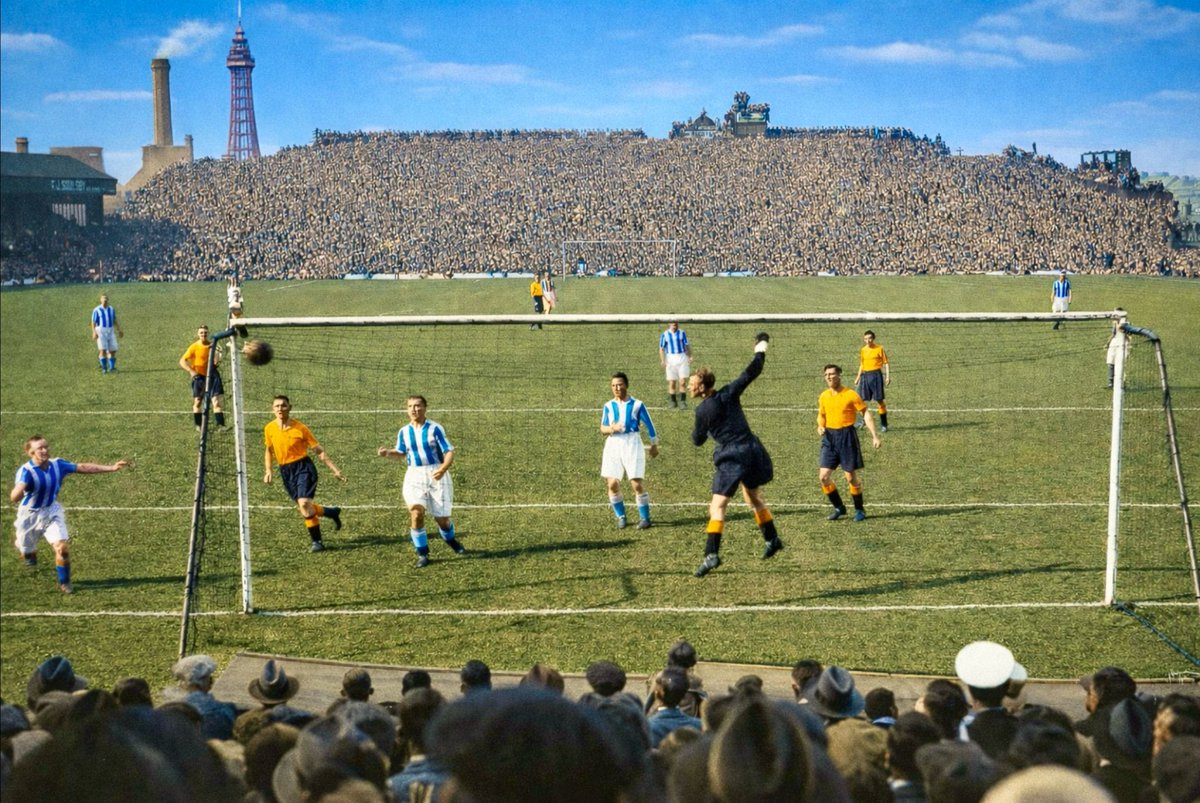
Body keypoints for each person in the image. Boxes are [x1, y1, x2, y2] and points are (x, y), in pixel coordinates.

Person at [688, 334, 783, 577]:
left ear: (701, 387)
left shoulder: (703, 410)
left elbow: (697, 441)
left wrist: (705, 429)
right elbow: (752, 370)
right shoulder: (729, 392)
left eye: (691, 383)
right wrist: (761, 346)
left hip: (733, 455)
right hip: (753, 449)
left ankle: (711, 554)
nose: (688, 386)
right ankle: (772, 539)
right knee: (753, 497)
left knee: (717, 506)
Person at [10, 435, 129, 594]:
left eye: (46, 446)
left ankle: (65, 583)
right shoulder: (26, 471)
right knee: (28, 551)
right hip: (29, 515)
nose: (45, 450)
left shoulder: (58, 464)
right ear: (30, 452)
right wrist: (17, 492)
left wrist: (111, 467)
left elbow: (82, 467)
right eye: (40, 448)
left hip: (52, 510)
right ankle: (25, 550)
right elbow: (14, 496)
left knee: (62, 547)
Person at [378, 394, 464, 567]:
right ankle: (422, 553)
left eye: (417, 406)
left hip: (435, 473)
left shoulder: (435, 428)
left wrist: (443, 468)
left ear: (425, 408)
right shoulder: (404, 431)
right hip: (414, 475)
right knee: (416, 513)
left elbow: (449, 451)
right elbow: (401, 453)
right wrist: (387, 453)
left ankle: (451, 539)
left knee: (443, 521)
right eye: (410, 406)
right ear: (406, 409)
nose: (414, 409)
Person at [263, 395, 344, 553]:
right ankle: (330, 512)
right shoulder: (269, 428)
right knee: (305, 508)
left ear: (290, 407)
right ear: (273, 409)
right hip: (286, 471)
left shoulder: (301, 428)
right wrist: (268, 470)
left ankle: (317, 542)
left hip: (303, 468)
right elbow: (269, 450)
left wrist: (335, 469)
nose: (280, 409)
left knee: (304, 504)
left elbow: (318, 451)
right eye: (277, 406)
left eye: (283, 406)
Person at [818, 363, 881, 522]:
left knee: (851, 478)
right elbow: (822, 415)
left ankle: (859, 509)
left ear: (839, 375)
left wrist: (874, 436)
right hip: (829, 438)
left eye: (832, 374)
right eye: (827, 375)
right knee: (824, 477)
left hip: (847, 437)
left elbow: (865, 413)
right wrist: (820, 426)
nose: (829, 377)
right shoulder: (824, 396)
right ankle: (839, 508)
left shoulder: (851, 395)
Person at [601, 372, 659, 530]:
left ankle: (645, 518)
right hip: (613, 444)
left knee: (636, 484)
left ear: (626, 385)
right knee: (612, 483)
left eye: (620, 384)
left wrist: (654, 444)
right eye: (614, 385)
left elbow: (649, 425)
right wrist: (611, 428)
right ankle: (621, 516)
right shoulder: (608, 406)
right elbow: (603, 428)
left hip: (632, 442)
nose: (617, 388)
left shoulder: (637, 404)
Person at [179, 325, 226, 431]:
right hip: (199, 378)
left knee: (216, 402)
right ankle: (199, 425)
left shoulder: (213, 346)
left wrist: (217, 360)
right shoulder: (194, 347)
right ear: (198, 334)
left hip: (213, 376)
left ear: (208, 333)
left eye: (205, 332)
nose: (203, 334)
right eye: (201, 333)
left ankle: (221, 425)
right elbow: (182, 361)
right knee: (198, 402)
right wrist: (192, 371)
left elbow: (216, 361)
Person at [854, 330, 890, 431]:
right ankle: (863, 421)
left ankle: (884, 424)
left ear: (873, 338)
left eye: (870, 338)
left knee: (879, 401)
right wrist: (857, 377)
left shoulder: (879, 348)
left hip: (876, 375)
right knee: (860, 400)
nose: (868, 340)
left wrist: (887, 376)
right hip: (865, 376)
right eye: (865, 339)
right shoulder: (863, 350)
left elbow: (886, 363)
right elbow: (861, 364)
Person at [659, 321, 693, 408]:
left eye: (676, 322)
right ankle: (673, 401)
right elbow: (661, 348)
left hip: (682, 357)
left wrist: (689, 356)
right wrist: (663, 360)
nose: (675, 324)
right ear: (669, 323)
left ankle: (682, 401)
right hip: (670, 359)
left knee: (682, 381)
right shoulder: (665, 334)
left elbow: (687, 345)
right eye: (672, 322)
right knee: (672, 382)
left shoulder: (682, 333)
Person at [90, 293, 123, 373]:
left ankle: (112, 368)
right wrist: (94, 332)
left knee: (113, 349)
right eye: (103, 298)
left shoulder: (111, 309)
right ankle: (104, 368)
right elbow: (93, 322)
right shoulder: (97, 310)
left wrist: (119, 329)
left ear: (108, 300)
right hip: (101, 331)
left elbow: (114, 320)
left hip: (110, 330)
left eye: (106, 298)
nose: (104, 300)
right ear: (100, 300)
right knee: (103, 350)